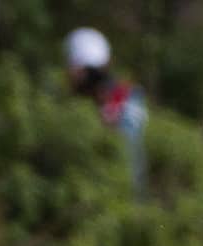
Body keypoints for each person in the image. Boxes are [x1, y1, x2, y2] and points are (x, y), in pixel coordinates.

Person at [63, 28, 149, 190]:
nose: (69, 75)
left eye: (72, 68)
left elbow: (128, 160)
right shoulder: (114, 98)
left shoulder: (122, 99)